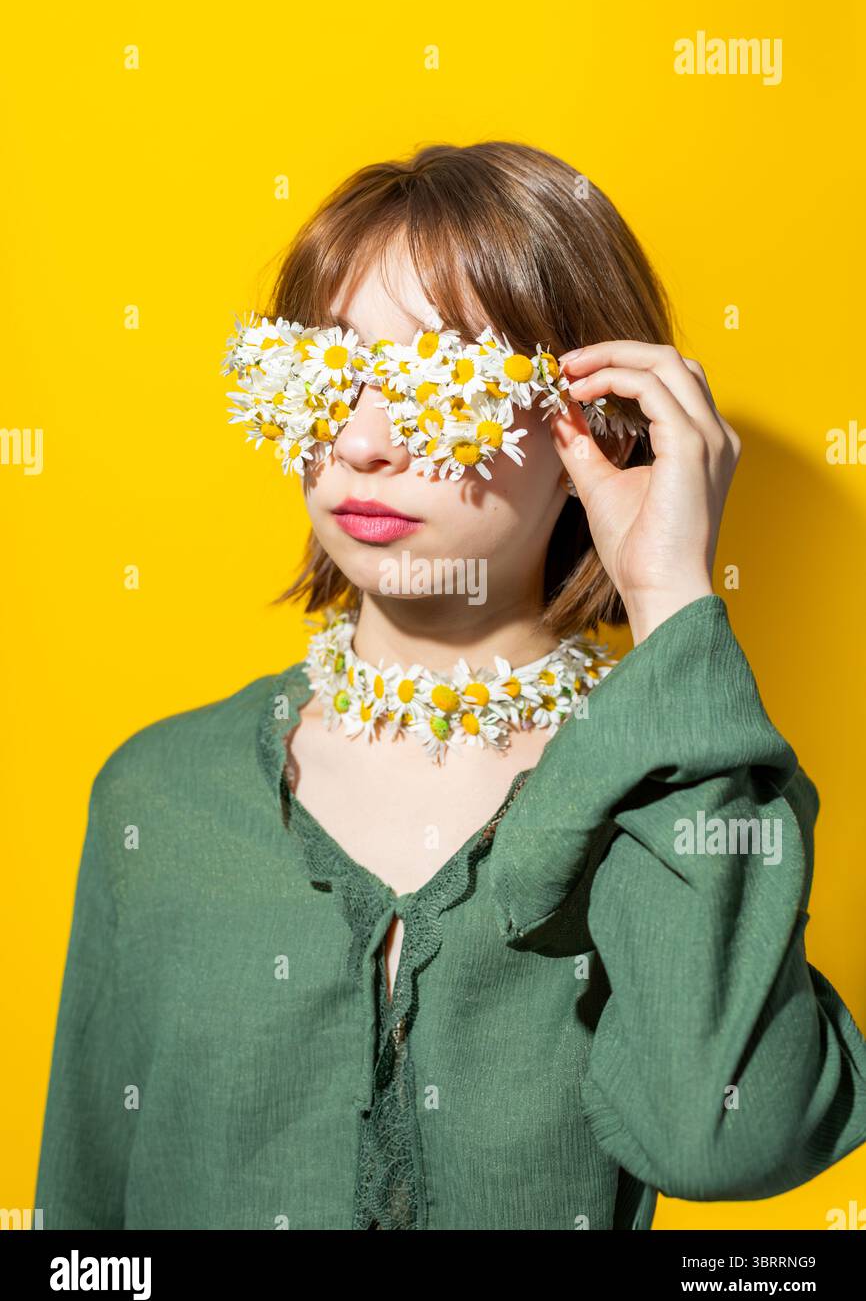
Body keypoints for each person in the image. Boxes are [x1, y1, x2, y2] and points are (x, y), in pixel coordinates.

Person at [35, 142, 866, 1230]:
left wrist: (669, 594)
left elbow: (725, 1138)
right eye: (325, 377)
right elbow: (82, 1219)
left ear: (595, 422)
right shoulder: (159, 796)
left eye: (438, 382)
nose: (362, 443)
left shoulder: (662, 807)